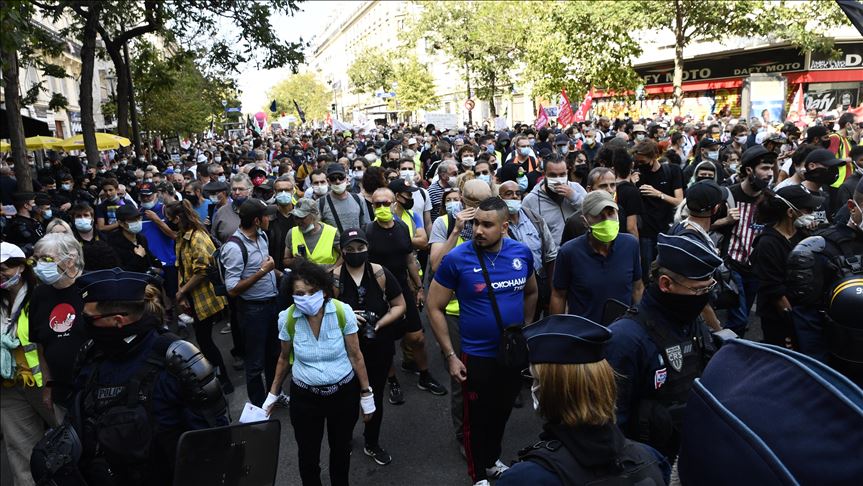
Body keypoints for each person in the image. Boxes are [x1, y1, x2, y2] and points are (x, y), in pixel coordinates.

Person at [56, 268, 228, 485]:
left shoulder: (178, 360)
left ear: (118, 320)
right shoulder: (91, 356)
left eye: (90, 318)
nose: (84, 323)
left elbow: (214, 441)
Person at [427, 197, 538, 485]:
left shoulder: (521, 254)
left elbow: (531, 292)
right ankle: (478, 476)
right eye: (476, 222)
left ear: (504, 227)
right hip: (475, 356)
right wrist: (450, 355)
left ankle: (491, 461)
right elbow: (434, 306)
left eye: (487, 224)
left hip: (510, 355)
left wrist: (525, 328)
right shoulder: (456, 259)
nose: (478, 229)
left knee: (502, 412)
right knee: (476, 420)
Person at [498, 314, 669, 486]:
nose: (533, 386)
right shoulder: (652, 459)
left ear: (549, 390)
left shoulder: (524, 479)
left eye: (535, 380)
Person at [605, 233, 722, 461]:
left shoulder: (692, 323)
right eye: (699, 290)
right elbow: (610, 426)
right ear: (666, 284)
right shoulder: (626, 339)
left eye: (710, 288)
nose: (705, 298)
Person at [265, 258, 374, 486]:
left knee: (341, 452)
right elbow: (284, 358)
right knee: (307, 456)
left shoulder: (342, 312)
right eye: (300, 293)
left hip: (343, 396)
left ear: (324, 291)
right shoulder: (287, 318)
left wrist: (366, 394)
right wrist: (272, 395)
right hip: (305, 400)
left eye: (312, 291)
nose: (307, 298)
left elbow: (356, 356)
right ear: (291, 295)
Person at [330, 227, 407, 466]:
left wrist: (381, 323)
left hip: (378, 346)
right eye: (350, 249)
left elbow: (399, 305)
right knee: (346, 400)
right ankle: (343, 440)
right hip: (345, 350)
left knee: (374, 395)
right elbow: (322, 312)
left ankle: (371, 442)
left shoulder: (380, 274)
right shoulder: (332, 278)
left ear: (367, 248)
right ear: (342, 251)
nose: (356, 253)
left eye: (360, 248)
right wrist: (346, 316)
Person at [365, 187, 446, 402]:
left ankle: (424, 374)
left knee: (417, 337)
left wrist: (419, 287)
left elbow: (410, 259)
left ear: (394, 204)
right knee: (385, 342)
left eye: (385, 203)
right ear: (372, 207)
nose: (382, 207)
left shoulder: (401, 227)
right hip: (379, 294)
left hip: (402, 288)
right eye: (377, 204)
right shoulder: (368, 232)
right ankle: (391, 381)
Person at [787, 177, 863, 383]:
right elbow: (806, 320)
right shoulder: (820, 249)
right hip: (840, 367)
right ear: (852, 207)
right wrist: (822, 378)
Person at [1, 242, 57, 486]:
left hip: (44, 384)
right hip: (9, 388)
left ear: (21, 267)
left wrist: (50, 383)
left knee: (70, 438)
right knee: (21, 452)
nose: (0, 275)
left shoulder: (40, 297)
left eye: (3, 268)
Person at [164, 200, 234, 394]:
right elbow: (181, 266)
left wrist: (182, 290)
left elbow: (202, 271)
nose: (167, 221)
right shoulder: (181, 237)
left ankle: (223, 379)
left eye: (168, 219)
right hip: (193, 296)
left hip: (205, 297)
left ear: (177, 219)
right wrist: (182, 290)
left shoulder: (197, 238)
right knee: (202, 339)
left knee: (205, 341)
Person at [221, 198, 282, 406]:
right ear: (257, 220)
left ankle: (274, 396)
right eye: (267, 216)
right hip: (253, 312)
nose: (270, 219)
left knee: (274, 355)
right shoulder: (234, 248)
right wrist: (262, 273)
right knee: (255, 363)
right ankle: (258, 405)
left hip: (272, 305)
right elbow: (232, 289)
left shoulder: (262, 236)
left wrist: (284, 275)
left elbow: (268, 266)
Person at [551, 191, 643, 323]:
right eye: (599, 216)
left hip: (623, 333)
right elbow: (559, 296)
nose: (607, 220)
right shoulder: (568, 252)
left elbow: (637, 288)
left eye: (611, 213)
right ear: (585, 221)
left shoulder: (630, 245)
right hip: (585, 334)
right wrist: (558, 333)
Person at [713, 145, 776, 335]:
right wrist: (726, 220)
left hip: (756, 268)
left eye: (771, 168)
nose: (770, 173)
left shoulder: (770, 199)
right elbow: (704, 225)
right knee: (739, 318)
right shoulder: (728, 195)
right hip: (732, 265)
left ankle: (734, 348)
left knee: (743, 317)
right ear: (749, 170)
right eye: (764, 168)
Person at [751, 186, 822, 348]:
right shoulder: (767, 244)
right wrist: (794, 326)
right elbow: (775, 293)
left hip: (805, 315)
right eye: (808, 210)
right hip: (780, 320)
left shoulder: (803, 235)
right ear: (791, 213)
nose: (811, 214)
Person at [27, 234, 89, 410]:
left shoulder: (91, 288)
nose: (40, 265)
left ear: (70, 260)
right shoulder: (39, 295)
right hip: (61, 392)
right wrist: (48, 385)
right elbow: (41, 345)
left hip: (93, 388)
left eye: (47, 259)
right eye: (36, 260)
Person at [497, 180, 558, 318]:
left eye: (518, 194)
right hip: (511, 290)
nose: (514, 197)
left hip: (539, 285)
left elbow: (550, 255)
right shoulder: (496, 224)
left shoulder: (535, 219)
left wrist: (550, 288)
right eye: (509, 194)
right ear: (499, 198)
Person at [633, 140, 685, 284]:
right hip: (646, 232)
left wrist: (658, 194)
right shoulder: (637, 174)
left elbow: (679, 201)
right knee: (647, 272)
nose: (641, 165)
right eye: (638, 162)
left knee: (667, 271)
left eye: (644, 161)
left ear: (655, 156)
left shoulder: (672, 171)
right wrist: (631, 184)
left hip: (666, 230)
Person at [522, 154, 587, 244]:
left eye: (562, 174)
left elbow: (592, 214)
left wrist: (574, 197)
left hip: (579, 250)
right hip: (553, 255)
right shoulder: (531, 201)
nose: (558, 180)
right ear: (544, 174)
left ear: (567, 172)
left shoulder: (577, 189)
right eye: (553, 175)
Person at [284, 198, 340, 268]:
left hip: (326, 276)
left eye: (302, 217)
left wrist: (334, 269)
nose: (298, 221)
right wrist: (294, 261)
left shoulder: (331, 232)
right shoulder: (292, 233)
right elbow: (286, 260)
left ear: (314, 215)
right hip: (302, 277)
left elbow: (344, 255)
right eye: (296, 217)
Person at [107, 204, 162, 273]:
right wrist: (138, 257)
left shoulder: (141, 238)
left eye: (139, 218)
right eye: (132, 220)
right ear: (121, 223)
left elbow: (150, 259)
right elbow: (120, 272)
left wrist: (158, 266)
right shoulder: (112, 242)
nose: (137, 222)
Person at [319, 163, 368, 233]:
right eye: (333, 178)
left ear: (347, 179)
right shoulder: (321, 203)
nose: (337, 181)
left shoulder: (359, 199)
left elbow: (365, 226)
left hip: (355, 242)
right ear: (328, 181)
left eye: (341, 177)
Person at [268, 175, 298, 270]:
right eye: (280, 190)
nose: (284, 193)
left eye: (287, 190)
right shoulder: (268, 217)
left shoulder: (301, 215)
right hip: (275, 269)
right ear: (274, 193)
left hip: (298, 269)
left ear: (293, 191)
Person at [211, 173, 251, 244]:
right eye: (234, 189)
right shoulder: (221, 212)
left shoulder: (258, 210)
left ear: (249, 190)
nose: (237, 192)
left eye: (241, 189)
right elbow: (214, 239)